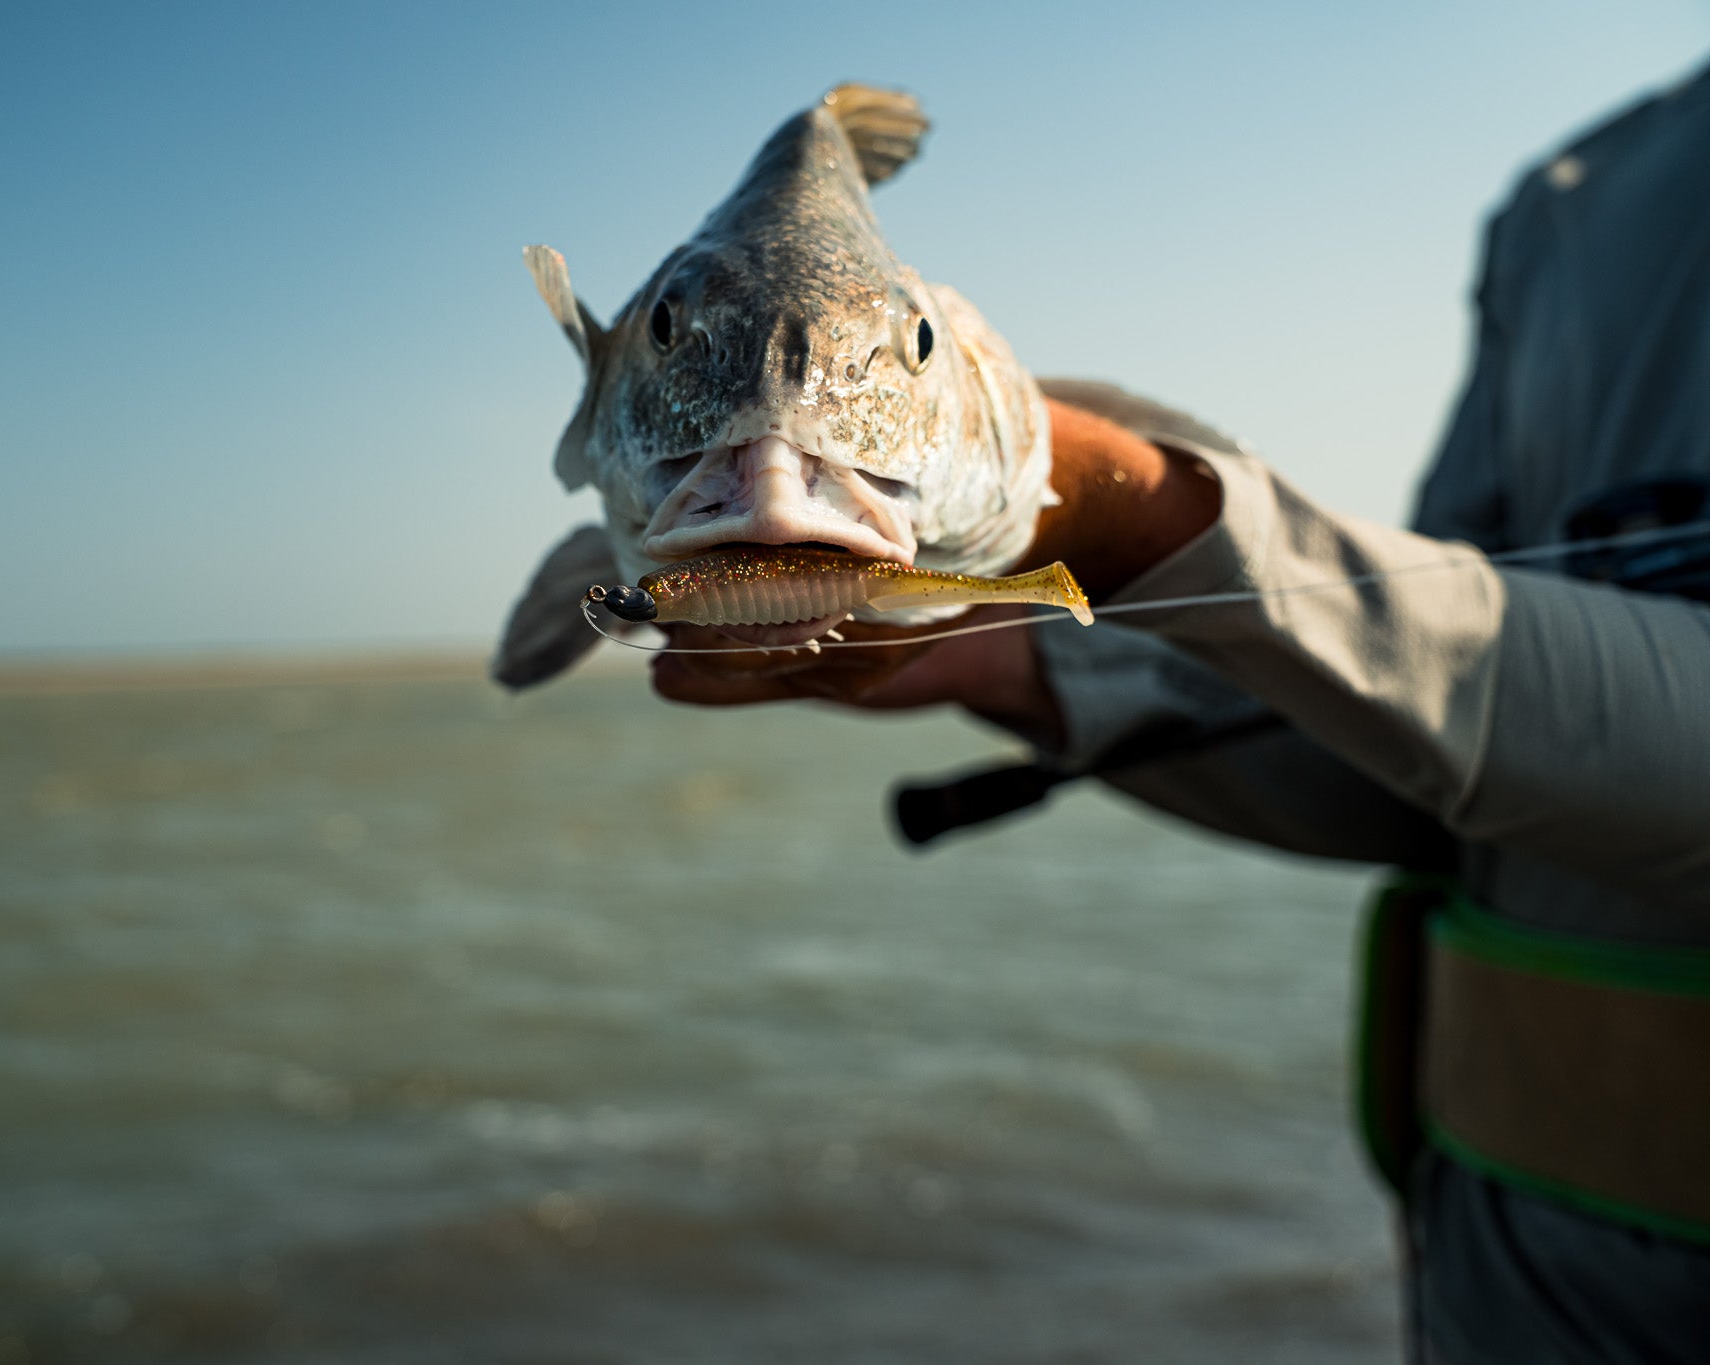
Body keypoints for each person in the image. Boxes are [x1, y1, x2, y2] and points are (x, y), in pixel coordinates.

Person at [657, 60, 1710, 1364]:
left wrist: (1142, 516)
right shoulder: (1568, 199)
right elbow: (1424, 766)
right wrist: (1018, 663)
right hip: (1497, 1282)